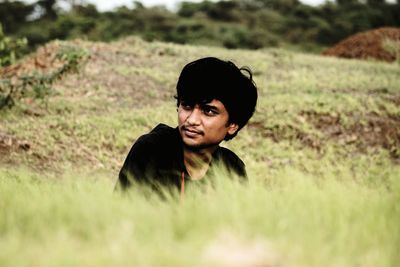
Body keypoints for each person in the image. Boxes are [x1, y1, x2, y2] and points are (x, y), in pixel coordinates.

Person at [117, 57, 257, 194]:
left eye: (208, 111)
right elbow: (123, 213)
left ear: (233, 125)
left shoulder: (232, 167)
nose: (192, 120)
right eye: (187, 106)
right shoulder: (151, 150)